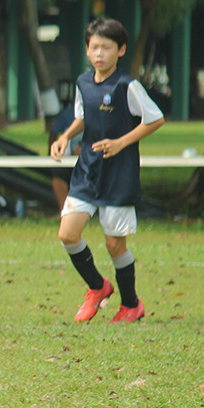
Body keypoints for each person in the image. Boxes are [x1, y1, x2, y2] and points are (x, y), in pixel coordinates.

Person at [49, 17, 164, 323]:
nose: (99, 53)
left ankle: (131, 305)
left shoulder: (128, 86)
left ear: (121, 50)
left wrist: (120, 142)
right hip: (87, 170)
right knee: (67, 233)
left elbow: (154, 119)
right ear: (87, 50)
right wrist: (64, 137)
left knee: (115, 244)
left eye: (106, 47)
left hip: (119, 174)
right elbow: (83, 117)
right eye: (94, 47)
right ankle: (98, 287)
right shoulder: (83, 83)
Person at [47, 102, 82, 211]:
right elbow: (53, 132)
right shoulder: (68, 113)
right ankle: (64, 212)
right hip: (70, 160)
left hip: (93, 161)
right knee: (58, 177)